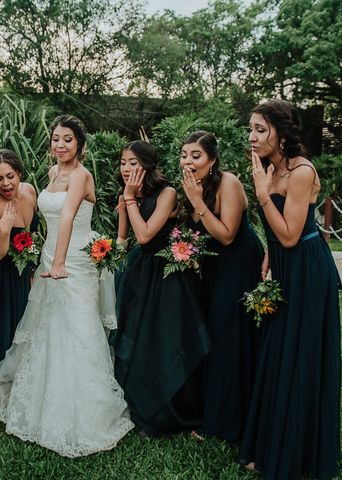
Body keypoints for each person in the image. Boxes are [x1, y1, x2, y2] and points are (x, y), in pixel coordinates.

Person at [0, 114, 133, 457]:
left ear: (80, 143)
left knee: (79, 325)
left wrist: (61, 262)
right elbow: (44, 219)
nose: (60, 145)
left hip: (75, 259)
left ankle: (86, 411)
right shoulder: (51, 174)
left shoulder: (82, 175)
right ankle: (40, 395)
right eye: (55, 139)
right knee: (46, 326)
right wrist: (45, 259)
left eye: (67, 139)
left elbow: (66, 216)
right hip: (50, 256)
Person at [240, 99, 341, 479]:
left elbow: (290, 234)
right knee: (277, 351)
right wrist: (268, 252)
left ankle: (298, 451)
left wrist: (262, 193)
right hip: (283, 268)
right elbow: (277, 236)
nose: (252, 136)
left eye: (260, 129)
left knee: (299, 355)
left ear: (281, 133)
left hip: (308, 272)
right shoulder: (270, 167)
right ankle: (269, 444)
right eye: (251, 128)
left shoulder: (301, 172)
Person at [112, 140, 211, 436]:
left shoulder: (166, 193)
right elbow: (124, 238)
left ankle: (170, 412)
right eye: (123, 163)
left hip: (166, 277)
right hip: (137, 273)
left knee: (164, 341)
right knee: (134, 340)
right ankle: (137, 404)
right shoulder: (126, 194)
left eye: (133, 162)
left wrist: (129, 199)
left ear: (147, 165)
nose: (127, 168)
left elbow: (145, 236)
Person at [179, 131, 264, 442]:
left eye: (196, 155)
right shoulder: (190, 187)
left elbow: (227, 234)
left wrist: (197, 202)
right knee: (213, 335)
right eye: (184, 155)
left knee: (230, 336)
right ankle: (214, 411)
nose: (188, 161)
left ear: (212, 160)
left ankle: (230, 422)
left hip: (239, 261)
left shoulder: (228, 183)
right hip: (213, 267)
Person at [0, 150, 38, 371]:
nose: (5, 183)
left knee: (22, 319)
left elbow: (31, 231)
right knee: (0, 325)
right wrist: (4, 230)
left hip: (21, 268)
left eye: (10, 176)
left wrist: (32, 265)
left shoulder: (30, 192)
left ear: (19, 173)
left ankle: (21, 372)